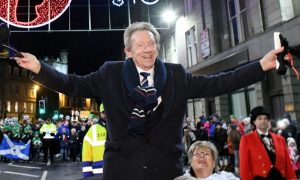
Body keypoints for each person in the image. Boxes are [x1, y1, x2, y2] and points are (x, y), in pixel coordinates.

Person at [14, 21, 285, 179]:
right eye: (141, 45)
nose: (148, 49)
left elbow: (220, 82)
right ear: (128, 51)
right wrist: (40, 68)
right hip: (122, 171)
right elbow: (72, 84)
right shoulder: (111, 73)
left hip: (166, 170)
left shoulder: (177, 75)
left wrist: (261, 66)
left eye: (152, 43)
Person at [239, 106, 296, 180]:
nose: (263, 121)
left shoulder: (280, 139)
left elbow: (288, 165)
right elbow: (244, 167)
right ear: (254, 122)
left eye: (265, 118)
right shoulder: (246, 140)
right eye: (259, 118)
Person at [174, 141, 239, 180]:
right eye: (197, 154)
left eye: (207, 154)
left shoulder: (227, 178)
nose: (202, 156)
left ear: (214, 162)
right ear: (190, 162)